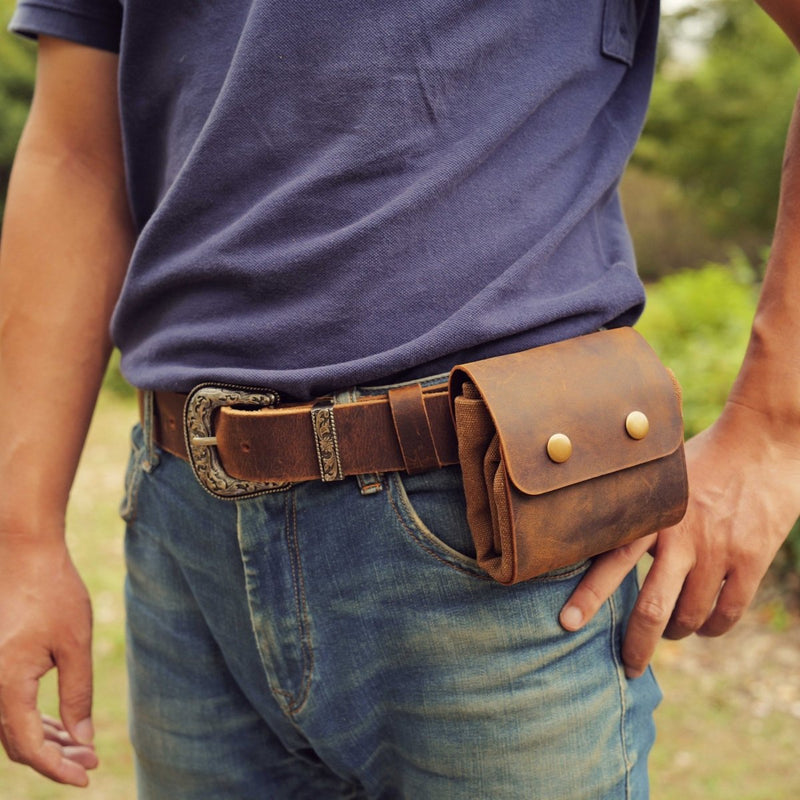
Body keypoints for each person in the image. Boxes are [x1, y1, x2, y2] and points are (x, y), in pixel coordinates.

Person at [0, 0, 798, 797]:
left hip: (493, 530)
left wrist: (774, 431)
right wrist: (20, 536)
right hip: (187, 538)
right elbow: (76, 150)